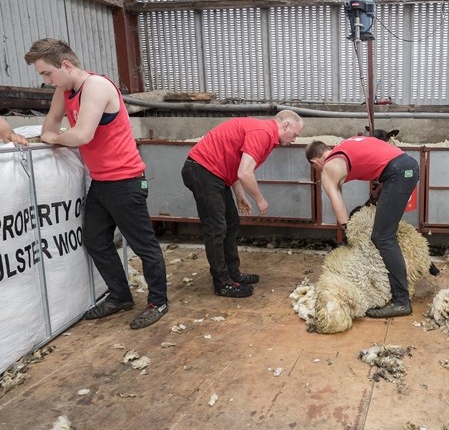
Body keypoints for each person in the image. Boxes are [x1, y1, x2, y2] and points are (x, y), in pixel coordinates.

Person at [25, 38, 168, 329]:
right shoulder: (64, 90)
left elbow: (81, 135)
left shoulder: (97, 87)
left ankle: (158, 301)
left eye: (47, 73)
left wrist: (56, 138)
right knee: (95, 240)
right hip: (102, 181)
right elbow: (49, 127)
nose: (46, 80)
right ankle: (120, 295)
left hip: (125, 180)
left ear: (65, 65)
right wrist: (55, 134)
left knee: (144, 245)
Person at [181, 110, 304, 297]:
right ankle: (222, 283)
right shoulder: (263, 133)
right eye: (295, 134)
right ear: (285, 125)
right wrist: (259, 199)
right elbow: (245, 173)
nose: (295, 139)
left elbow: (236, 165)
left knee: (231, 223)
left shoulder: (265, 134)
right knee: (216, 228)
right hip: (202, 170)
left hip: (215, 174)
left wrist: (239, 195)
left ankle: (233, 273)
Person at [306, 136, 419, 318]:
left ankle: (401, 301)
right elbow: (382, 153)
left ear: (315, 161)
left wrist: (347, 231)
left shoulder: (328, 166)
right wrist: (381, 184)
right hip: (404, 166)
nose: (319, 171)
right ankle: (396, 288)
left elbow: (336, 199)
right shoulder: (344, 146)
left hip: (398, 173)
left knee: (382, 237)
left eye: (315, 168)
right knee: (385, 233)